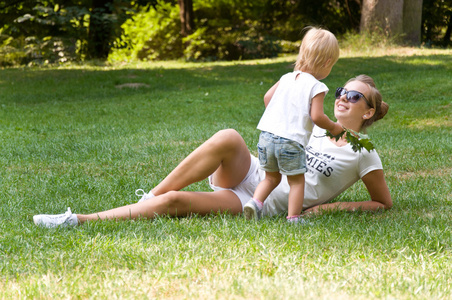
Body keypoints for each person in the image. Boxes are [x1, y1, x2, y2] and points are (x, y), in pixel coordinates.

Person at [33, 75, 392, 228]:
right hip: (254, 172)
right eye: (342, 90)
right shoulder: (316, 124)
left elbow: (382, 204)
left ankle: (77, 220)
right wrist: (299, 75)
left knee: (175, 203)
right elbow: (271, 102)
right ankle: (149, 195)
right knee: (228, 136)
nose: (343, 97)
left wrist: (328, 208)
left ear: (369, 111)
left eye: (354, 95)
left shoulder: (364, 154)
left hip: (261, 203)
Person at [243, 27, 343, 223]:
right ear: (327, 62)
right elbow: (317, 116)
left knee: (271, 178)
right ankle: (294, 217)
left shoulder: (287, 78)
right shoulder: (317, 86)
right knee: (297, 181)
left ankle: (254, 203)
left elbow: (267, 98)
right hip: (290, 142)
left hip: (266, 137)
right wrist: (333, 127)